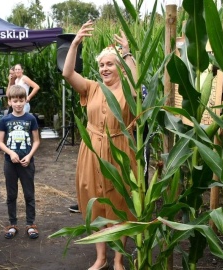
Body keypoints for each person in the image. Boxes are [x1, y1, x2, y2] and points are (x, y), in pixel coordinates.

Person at [61, 20, 137, 270]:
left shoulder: (127, 89)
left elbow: (136, 86)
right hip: (92, 151)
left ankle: (118, 260)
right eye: (101, 65)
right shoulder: (92, 89)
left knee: (120, 201)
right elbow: (68, 73)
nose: (104, 69)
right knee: (95, 200)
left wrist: (127, 53)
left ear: (120, 68)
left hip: (120, 151)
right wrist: (74, 44)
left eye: (109, 64)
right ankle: (100, 258)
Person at [0, 85, 40, 240]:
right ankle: (12, 223)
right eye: (15, 101)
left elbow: (36, 141)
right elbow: (0, 142)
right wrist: (10, 153)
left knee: (29, 194)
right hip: (10, 163)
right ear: (9, 102)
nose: (18, 103)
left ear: (25, 100)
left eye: (21, 100)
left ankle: (30, 224)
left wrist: (29, 156)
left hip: (26, 163)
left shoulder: (31, 119)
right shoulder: (5, 120)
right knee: (11, 194)